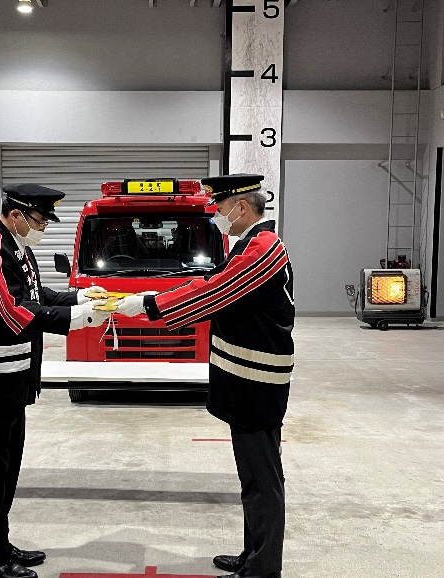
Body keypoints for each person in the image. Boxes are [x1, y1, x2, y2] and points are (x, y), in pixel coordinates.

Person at [117, 174, 294, 578]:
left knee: (262, 479)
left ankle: (263, 568)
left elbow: (213, 292)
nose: (216, 214)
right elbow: (212, 286)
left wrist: (147, 305)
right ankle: (253, 554)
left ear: (241, 208)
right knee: (252, 477)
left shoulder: (262, 247)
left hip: (257, 382)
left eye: (219, 207)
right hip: (245, 378)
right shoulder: (249, 244)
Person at [0, 183, 109, 578]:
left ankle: (0, 543)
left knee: (7, 470)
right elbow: (13, 313)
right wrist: (78, 320)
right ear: (16, 214)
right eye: (39, 220)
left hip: (12, 381)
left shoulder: (18, 247)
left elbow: (36, 295)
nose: (42, 227)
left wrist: (79, 297)